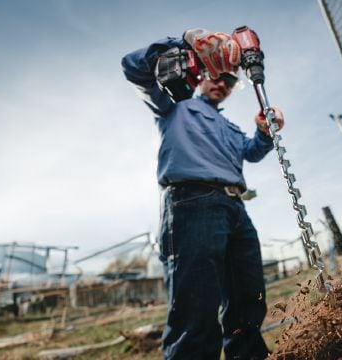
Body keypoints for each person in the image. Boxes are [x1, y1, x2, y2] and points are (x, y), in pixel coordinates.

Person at [122, 28, 285, 360]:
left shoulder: (229, 128)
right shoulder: (174, 105)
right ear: (203, 74)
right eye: (217, 77)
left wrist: (265, 132)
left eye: (229, 82)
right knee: (196, 305)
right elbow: (133, 67)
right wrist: (184, 43)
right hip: (192, 203)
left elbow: (251, 152)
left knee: (247, 299)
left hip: (235, 208)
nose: (222, 85)